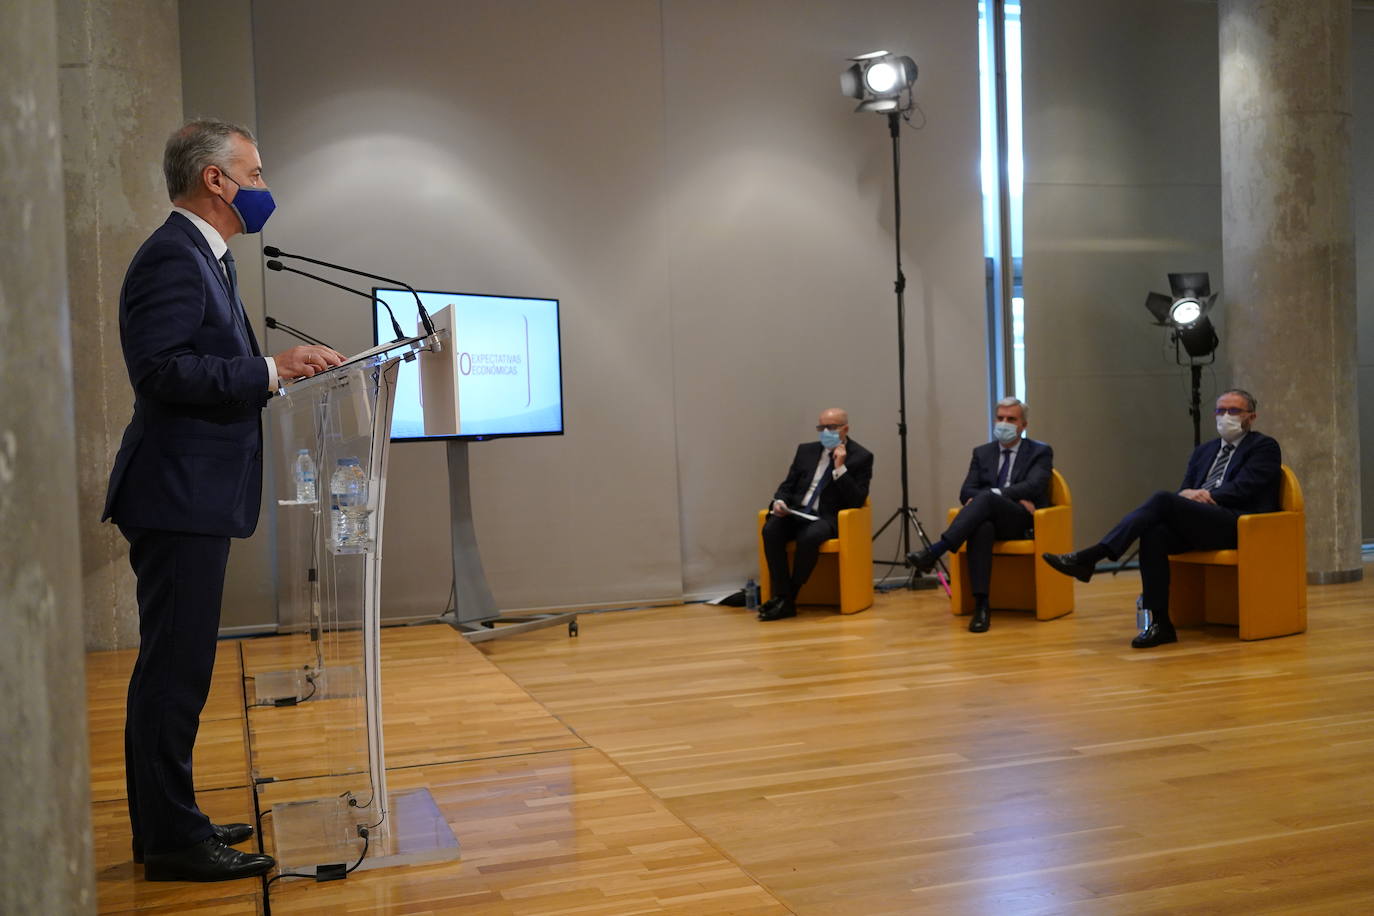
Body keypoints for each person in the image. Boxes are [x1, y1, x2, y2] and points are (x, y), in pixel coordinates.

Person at [102, 119, 345, 881]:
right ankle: (173, 843)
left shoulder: (206, 259)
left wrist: (271, 372)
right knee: (174, 675)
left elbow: (204, 366)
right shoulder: (173, 258)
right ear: (216, 181)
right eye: (257, 173)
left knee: (180, 670)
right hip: (175, 495)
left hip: (191, 494)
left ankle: (173, 823)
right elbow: (164, 373)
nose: (266, 187)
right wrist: (269, 370)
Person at [1042, 388, 1281, 648]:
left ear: (1252, 417)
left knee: (1163, 499)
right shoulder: (1205, 451)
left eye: (1234, 411)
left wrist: (1206, 494)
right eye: (1220, 411)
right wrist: (1189, 495)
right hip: (1204, 521)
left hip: (1238, 523)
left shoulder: (1264, 447)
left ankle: (1093, 556)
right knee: (1154, 533)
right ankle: (1160, 624)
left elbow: (1246, 487)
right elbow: (1185, 490)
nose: (1225, 416)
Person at [906, 397, 1052, 632]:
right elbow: (966, 492)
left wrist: (993, 495)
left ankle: (935, 551)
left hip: (1020, 521)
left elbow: (1034, 486)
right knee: (981, 527)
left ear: (1023, 425)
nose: (1004, 423)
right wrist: (999, 496)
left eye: (1011, 419)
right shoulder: (982, 453)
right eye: (1000, 418)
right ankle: (981, 606)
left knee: (985, 498)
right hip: (992, 517)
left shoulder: (1039, 451)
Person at [758, 408, 874, 621]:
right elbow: (788, 485)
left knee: (809, 537)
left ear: (845, 429)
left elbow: (857, 500)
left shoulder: (861, 457)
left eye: (831, 427)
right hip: (796, 512)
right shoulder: (806, 451)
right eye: (821, 428)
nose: (825, 432)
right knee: (771, 529)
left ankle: (789, 597)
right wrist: (780, 501)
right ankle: (782, 595)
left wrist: (840, 469)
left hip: (826, 518)